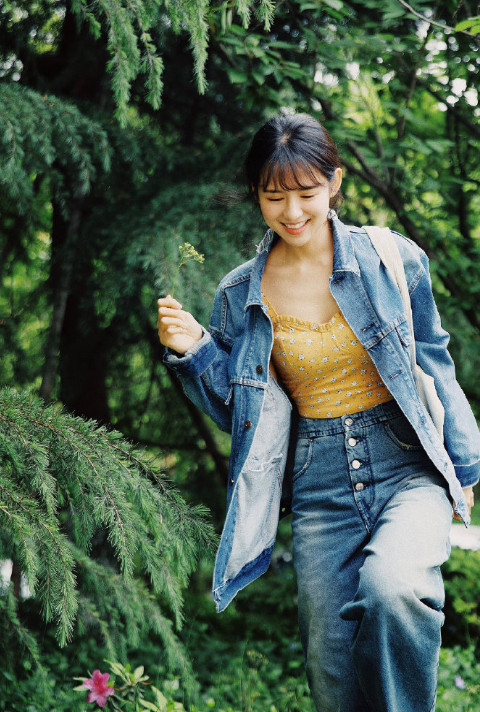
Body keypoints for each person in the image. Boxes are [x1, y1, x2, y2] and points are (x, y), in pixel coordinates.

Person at [157, 112, 478, 712]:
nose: (293, 212)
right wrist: (196, 351)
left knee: (397, 591)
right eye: (274, 196)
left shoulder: (392, 260)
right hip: (317, 486)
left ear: (335, 183)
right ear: (256, 194)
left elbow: (435, 359)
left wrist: (464, 461)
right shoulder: (239, 295)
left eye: (306, 193)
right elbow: (240, 413)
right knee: (332, 672)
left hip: (406, 464)